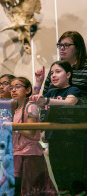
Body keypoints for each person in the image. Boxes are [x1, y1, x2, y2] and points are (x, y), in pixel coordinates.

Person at [0, 77, 57, 196]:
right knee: (18, 189)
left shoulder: (30, 106)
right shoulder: (16, 106)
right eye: (11, 88)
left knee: (31, 190)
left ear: (27, 90)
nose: (13, 90)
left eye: (18, 87)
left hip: (30, 155)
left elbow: (30, 132)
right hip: (18, 153)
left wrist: (12, 126)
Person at [30, 60, 86, 195]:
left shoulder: (72, 89)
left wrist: (46, 101)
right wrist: (38, 83)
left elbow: (70, 102)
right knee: (59, 175)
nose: (53, 76)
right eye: (51, 73)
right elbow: (33, 104)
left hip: (72, 139)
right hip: (54, 139)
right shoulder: (50, 92)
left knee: (75, 176)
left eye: (58, 72)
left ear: (68, 74)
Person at [33, 31, 87, 102]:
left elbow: (69, 103)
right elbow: (44, 98)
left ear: (77, 48)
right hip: (52, 111)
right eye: (60, 45)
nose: (62, 48)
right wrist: (38, 84)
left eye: (66, 45)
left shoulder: (85, 69)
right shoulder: (55, 69)